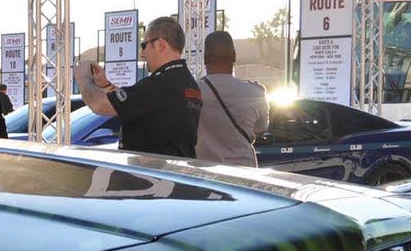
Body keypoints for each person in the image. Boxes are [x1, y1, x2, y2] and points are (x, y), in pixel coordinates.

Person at [78, 16, 201, 158]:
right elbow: (131, 101)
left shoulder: (161, 84)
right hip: (170, 172)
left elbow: (99, 105)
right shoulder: (185, 81)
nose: (143, 54)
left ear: (160, 45)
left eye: (144, 45)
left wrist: (83, 78)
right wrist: (105, 84)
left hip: (152, 176)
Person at [195, 31, 269, 167]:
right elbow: (261, 128)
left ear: (205, 58)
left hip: (205, 174)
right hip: (244, 175)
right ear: (234, 56)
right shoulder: (255, 93)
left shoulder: (193, 92)